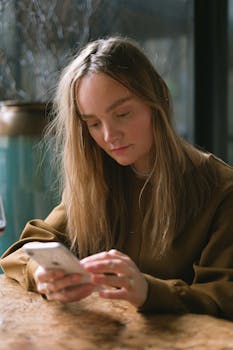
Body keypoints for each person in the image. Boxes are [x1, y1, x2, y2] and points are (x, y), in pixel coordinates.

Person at [1, 36, 233, 319]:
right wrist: (41, 272)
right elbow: (23, 250)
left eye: (122, 114)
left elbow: (224, 296)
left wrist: (148, 290)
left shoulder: (222, 189)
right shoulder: (97, 180)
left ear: (158, 95)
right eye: (94, 123)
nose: (109, 136)